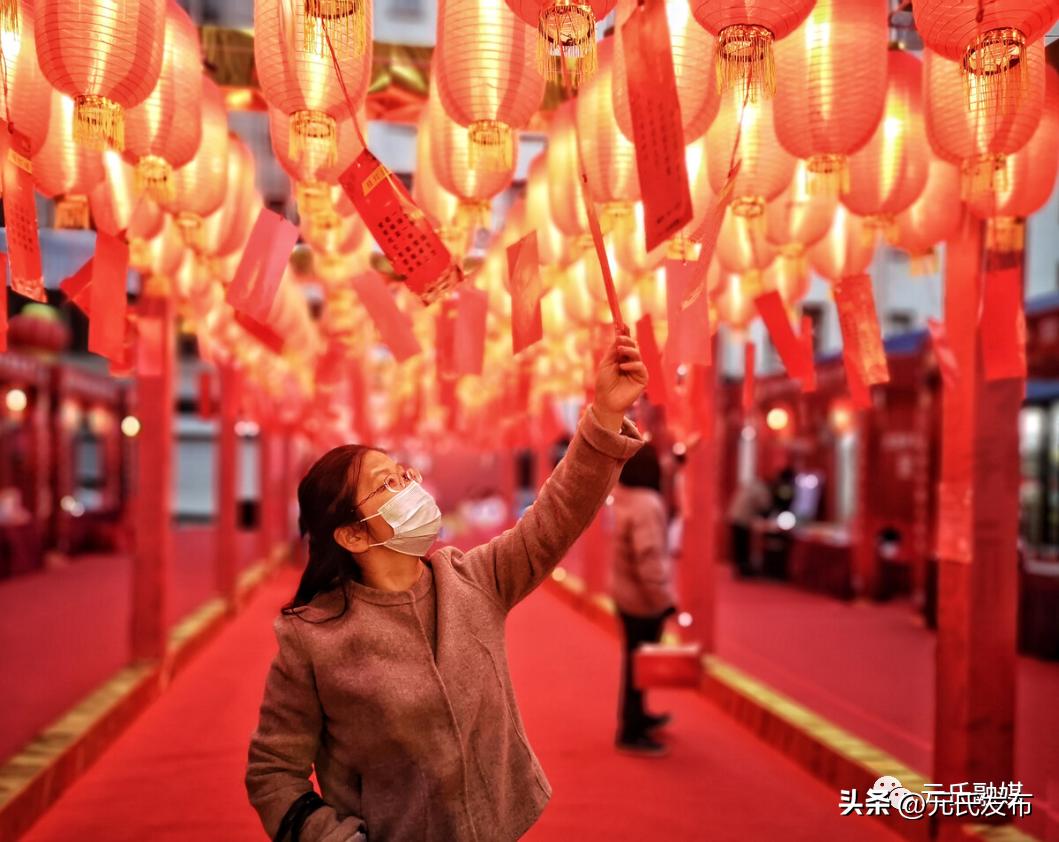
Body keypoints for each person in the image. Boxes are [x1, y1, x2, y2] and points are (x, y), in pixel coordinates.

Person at [245, 330, 648, 842]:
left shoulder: (474, 580)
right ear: (352, 534)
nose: (408, 490)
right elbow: (273, 770)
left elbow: (558, 514)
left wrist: (605, 415)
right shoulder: (312, 639)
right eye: (386, 486)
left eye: (403, 476)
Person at [610, 443, 678, 757]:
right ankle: (631, 729)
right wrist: (664, 599)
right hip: (643, 598)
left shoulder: (623, 494)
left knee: (635, 661)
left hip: (624, 592)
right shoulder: (647, 504)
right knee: (639, 664)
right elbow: (648, 557)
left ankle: (637, 717)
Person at [726, 475, 772, 577]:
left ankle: (741, 568)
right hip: (742, 519)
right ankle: (744, 569)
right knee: (742, 546)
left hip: (735, 517)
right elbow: (764, 506)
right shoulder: (761, 490)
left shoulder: (752, 486)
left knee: (739, 545)